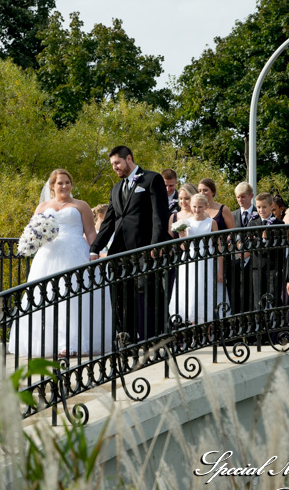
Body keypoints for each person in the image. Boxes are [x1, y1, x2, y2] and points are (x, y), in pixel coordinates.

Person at [13, 169, 107, 358]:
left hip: (75, 254)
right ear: (52, 186)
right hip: (48, 256)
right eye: (60, 183)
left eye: (67, 182)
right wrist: (31, 242)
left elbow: (90, 232)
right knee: (46, 296)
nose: (64, 186)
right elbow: (33, 230)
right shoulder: (42, 206)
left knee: (72, 297)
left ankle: (71, 343)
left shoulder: (80, 205)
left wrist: (95, 252)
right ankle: (47, 343)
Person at [90, 146, 171, 343]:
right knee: (122, 296)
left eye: (117, 163)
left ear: (128, 159)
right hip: (120, 253)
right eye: (112, 165)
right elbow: (109, 222)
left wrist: (155, 245)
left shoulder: (151, 179)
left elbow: (159, 215)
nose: (114, 168)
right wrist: (94, 248)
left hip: (145, 249)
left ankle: (159, 336)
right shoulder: (116, 189)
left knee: (150, 293)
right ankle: (128, 337)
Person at [169, 194, 224, 325]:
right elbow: (184, 247)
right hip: (191, 260)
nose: (197, 210)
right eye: (194, 206)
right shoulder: (187, 223)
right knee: (192, 292)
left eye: (200, 207)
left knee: (208, 291)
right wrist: (181, 235)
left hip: (208, 260)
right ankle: (194, 328)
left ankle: (208, 329)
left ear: (206, 206)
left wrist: (220, 270)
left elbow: (218, 247)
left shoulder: (212, 223)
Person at [248, 193, 284, 310]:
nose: (261, 210)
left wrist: (262, 240)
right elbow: (249, 243)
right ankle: (260, 321)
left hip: (273, 266)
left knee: (274, 297)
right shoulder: (252, 223)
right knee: (258, 299)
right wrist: (261, 240)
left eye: (264, 207)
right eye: (258, 207)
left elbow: (278, 245)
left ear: (271, 206)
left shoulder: (279, 223)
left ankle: (275, 320)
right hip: (257, 266)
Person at [230, 182, 258, 314]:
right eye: (238, 197)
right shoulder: (232, 215)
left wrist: (249, 252)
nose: (240, 200)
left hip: (254, 261)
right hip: (236, 261)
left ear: (251, 196)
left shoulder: (259, 213)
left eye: (243, 196)